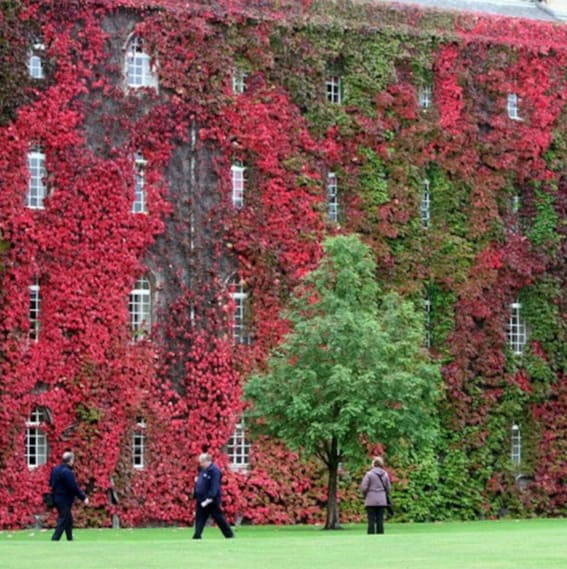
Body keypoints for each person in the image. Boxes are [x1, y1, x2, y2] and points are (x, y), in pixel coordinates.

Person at [192, 453, 234, 539]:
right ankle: (197, 535)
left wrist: (210, 497)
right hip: (201, 498)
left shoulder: (214, 470)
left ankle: (229, 534)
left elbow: (214, 485)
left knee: (218, 517)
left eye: (201, 462)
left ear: (207, 461)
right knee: (200, 517)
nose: (200, 464)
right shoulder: (202, 469)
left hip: (211, 500)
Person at [49, 451, 89, 541]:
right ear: (70, 461)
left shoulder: (55, 470)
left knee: (68, 519)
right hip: (64, 499)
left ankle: (70, 538)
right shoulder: (67, 472)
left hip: (56, 497)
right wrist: (83, 497)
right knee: (63, 519)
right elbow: (73, 487)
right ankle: (55, 539)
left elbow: (51, 483)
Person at [360, 456, 391, 535]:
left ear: (373, 464)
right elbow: (388, 488)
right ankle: (380, 535)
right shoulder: (385, 474)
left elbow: (364, 487)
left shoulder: (369, 474)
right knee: (380, 520)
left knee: (371, 520)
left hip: (370, 499)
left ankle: (371, 535)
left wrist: (365, 495)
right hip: (381, 500)